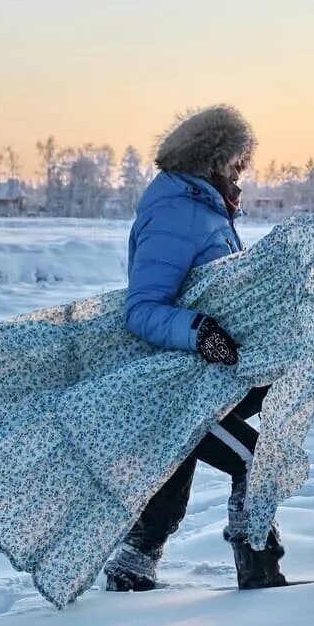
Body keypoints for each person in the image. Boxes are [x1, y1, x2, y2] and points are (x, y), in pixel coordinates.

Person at [103, 104, 287, 592]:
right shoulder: (176, 212)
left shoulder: (203, 207)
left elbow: (216, 289)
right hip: (173, 384)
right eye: (236, 162)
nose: (242, 171)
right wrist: (200, 332)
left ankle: (128, 577)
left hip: (198, 378)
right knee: (255, 459)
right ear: (212, 160)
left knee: (167, 492)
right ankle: (260, 574)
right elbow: (142, 308)